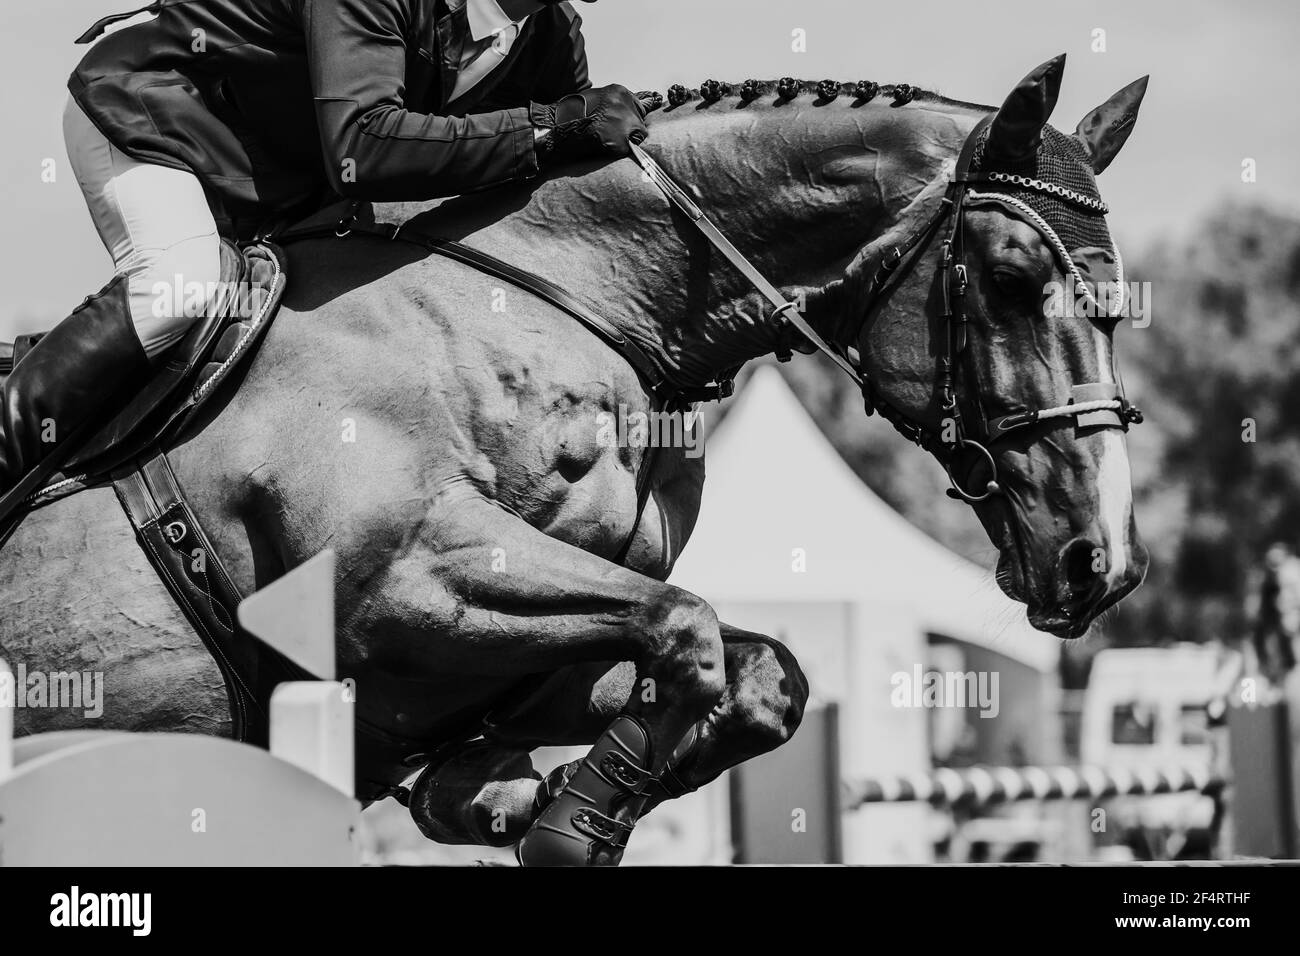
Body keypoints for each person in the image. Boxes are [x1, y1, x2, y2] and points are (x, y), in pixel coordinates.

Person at [0, 0, 648, 497]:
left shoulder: (549, 37)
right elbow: (362, 151)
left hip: (286, 178)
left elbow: (533, 204)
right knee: (183, 283)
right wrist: (548, 127)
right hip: (157, 117)